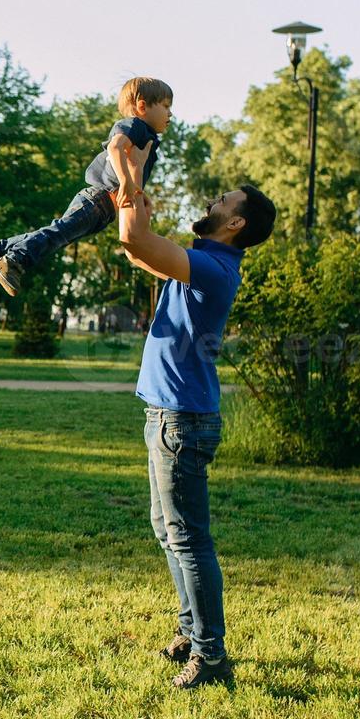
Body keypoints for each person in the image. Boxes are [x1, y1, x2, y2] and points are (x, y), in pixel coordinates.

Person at [117, 185, 277, 689]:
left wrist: (128, 178)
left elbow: (139, 242)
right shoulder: (199, 260)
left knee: (188, 540)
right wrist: (134, 205)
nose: (212, 202)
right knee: (168, 532)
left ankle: (210, 656)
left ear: (236, 224)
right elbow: (138, 251)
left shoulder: (213, 269)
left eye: (224, 201)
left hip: (181, 423)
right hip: (166, 416)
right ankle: (192, 632)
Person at [0, 77, 172, 295]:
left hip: (102, 208)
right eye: (166, 106)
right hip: (98, 199)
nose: (170, 113)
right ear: (142, 106)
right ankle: (13, 260)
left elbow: (131, 164)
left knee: (58, 234)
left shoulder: (144, 136)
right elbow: (115, 148)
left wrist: (138, 191)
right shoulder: (135, 125)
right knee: (59, 233)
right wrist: (126, 183)